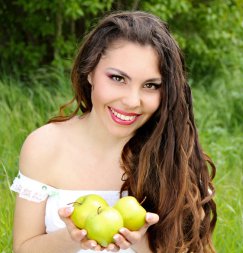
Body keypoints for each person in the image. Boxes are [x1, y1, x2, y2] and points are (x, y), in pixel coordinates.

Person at [10, 11, 217, 253]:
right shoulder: (44, 146)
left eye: (150, 85)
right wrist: (73, 237)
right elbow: (23, 248)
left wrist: (139, 239)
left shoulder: (173, 154)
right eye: (118, 78)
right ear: (90, 72)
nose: (131, 101)